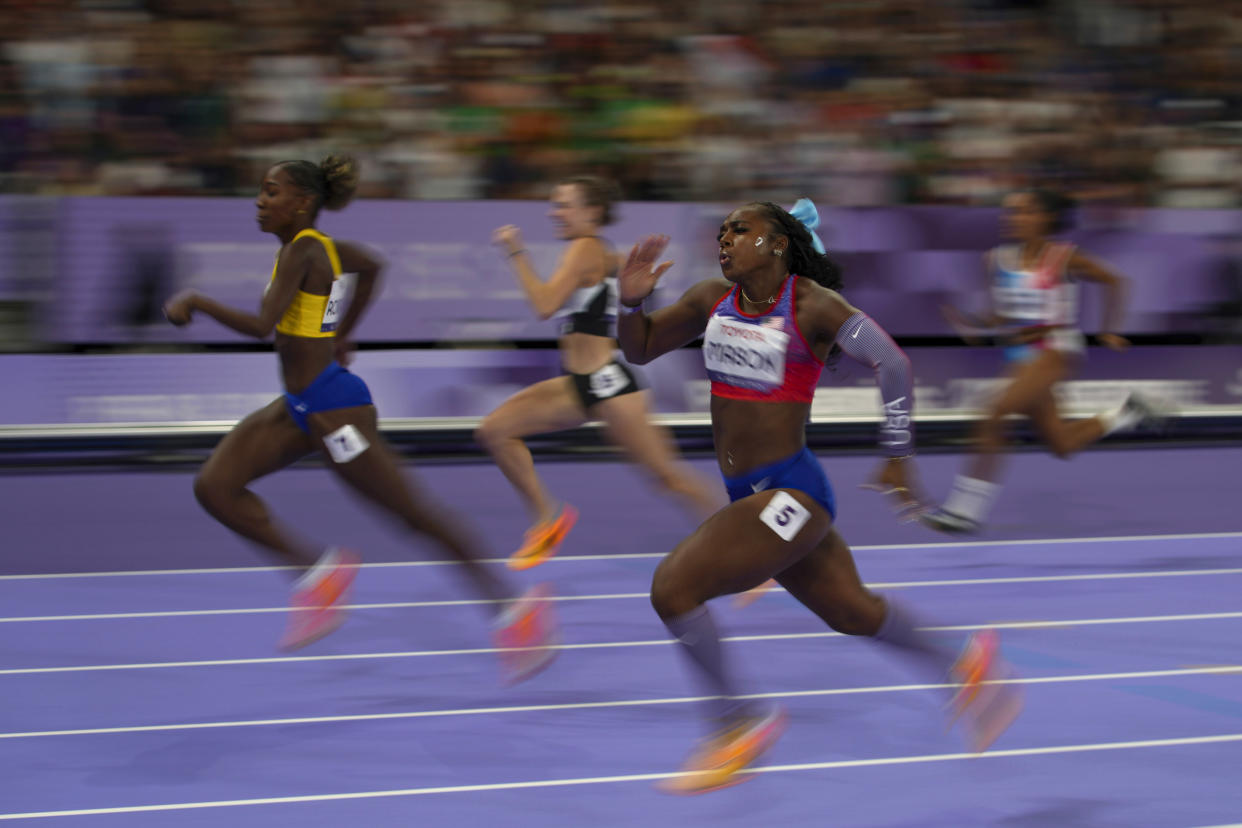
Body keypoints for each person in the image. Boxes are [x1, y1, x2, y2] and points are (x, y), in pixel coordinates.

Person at [615, 198, 1021, 794]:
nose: (725, 240)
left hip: (791, 496)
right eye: (722, 232)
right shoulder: (710, 300)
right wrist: (630, 302)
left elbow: (890, 360)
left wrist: (898, 455)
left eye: (740, 230)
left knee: (673, 588)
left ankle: (737, 726)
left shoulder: (813, 306)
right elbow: (641, 347)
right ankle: (964, 661)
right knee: (853, 613)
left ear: (779, 243)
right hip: (750, 497)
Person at [163, 155, 556, 683]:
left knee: (413, 515)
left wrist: (196, 301)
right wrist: (343, 331)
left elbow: (261, 326)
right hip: (299, 405)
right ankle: (319, 574)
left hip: (334, 410)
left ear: (302, 202)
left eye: (271, 192)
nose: (260, 201)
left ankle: (516, 610)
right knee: (215, 486)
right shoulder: (318, 248)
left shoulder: (304, 250)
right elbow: (372, 267)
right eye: (261, 191)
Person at [480, 176, 720, 569]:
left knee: (669, 478)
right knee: (494, 430)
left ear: (591, 211)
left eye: (564, 205)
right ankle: (548, 520)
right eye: (554, 204)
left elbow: (543, 304)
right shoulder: (602, 251)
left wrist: (515, 252)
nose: (554, 213)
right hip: (581, 385)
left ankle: (747, 544)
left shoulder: (584, 248)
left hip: (607, 385)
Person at [921, 189, 1164, 534]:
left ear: (1046, 218)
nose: (1013, 218)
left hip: (1055, 350)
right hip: (1018, 355)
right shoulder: (994, 260)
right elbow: (1001, 314)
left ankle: (964, 510)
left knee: (994, 414)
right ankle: (1128, 413)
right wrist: (976, 324)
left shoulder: (1065, 258)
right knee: (1061, 444)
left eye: (1024, 211)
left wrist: (1110, 331)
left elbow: (1115, 281)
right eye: (1010, 212)